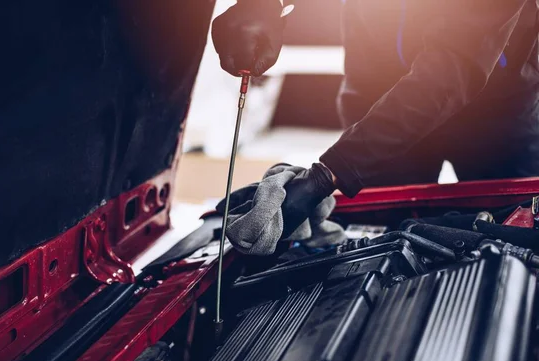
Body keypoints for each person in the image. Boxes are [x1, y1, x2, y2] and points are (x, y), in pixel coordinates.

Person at [212, 0, 539, 238]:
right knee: (383, 239)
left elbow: (452, 67)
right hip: (376, 97)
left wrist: (327, 176)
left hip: (497, 113)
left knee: (517, 231)